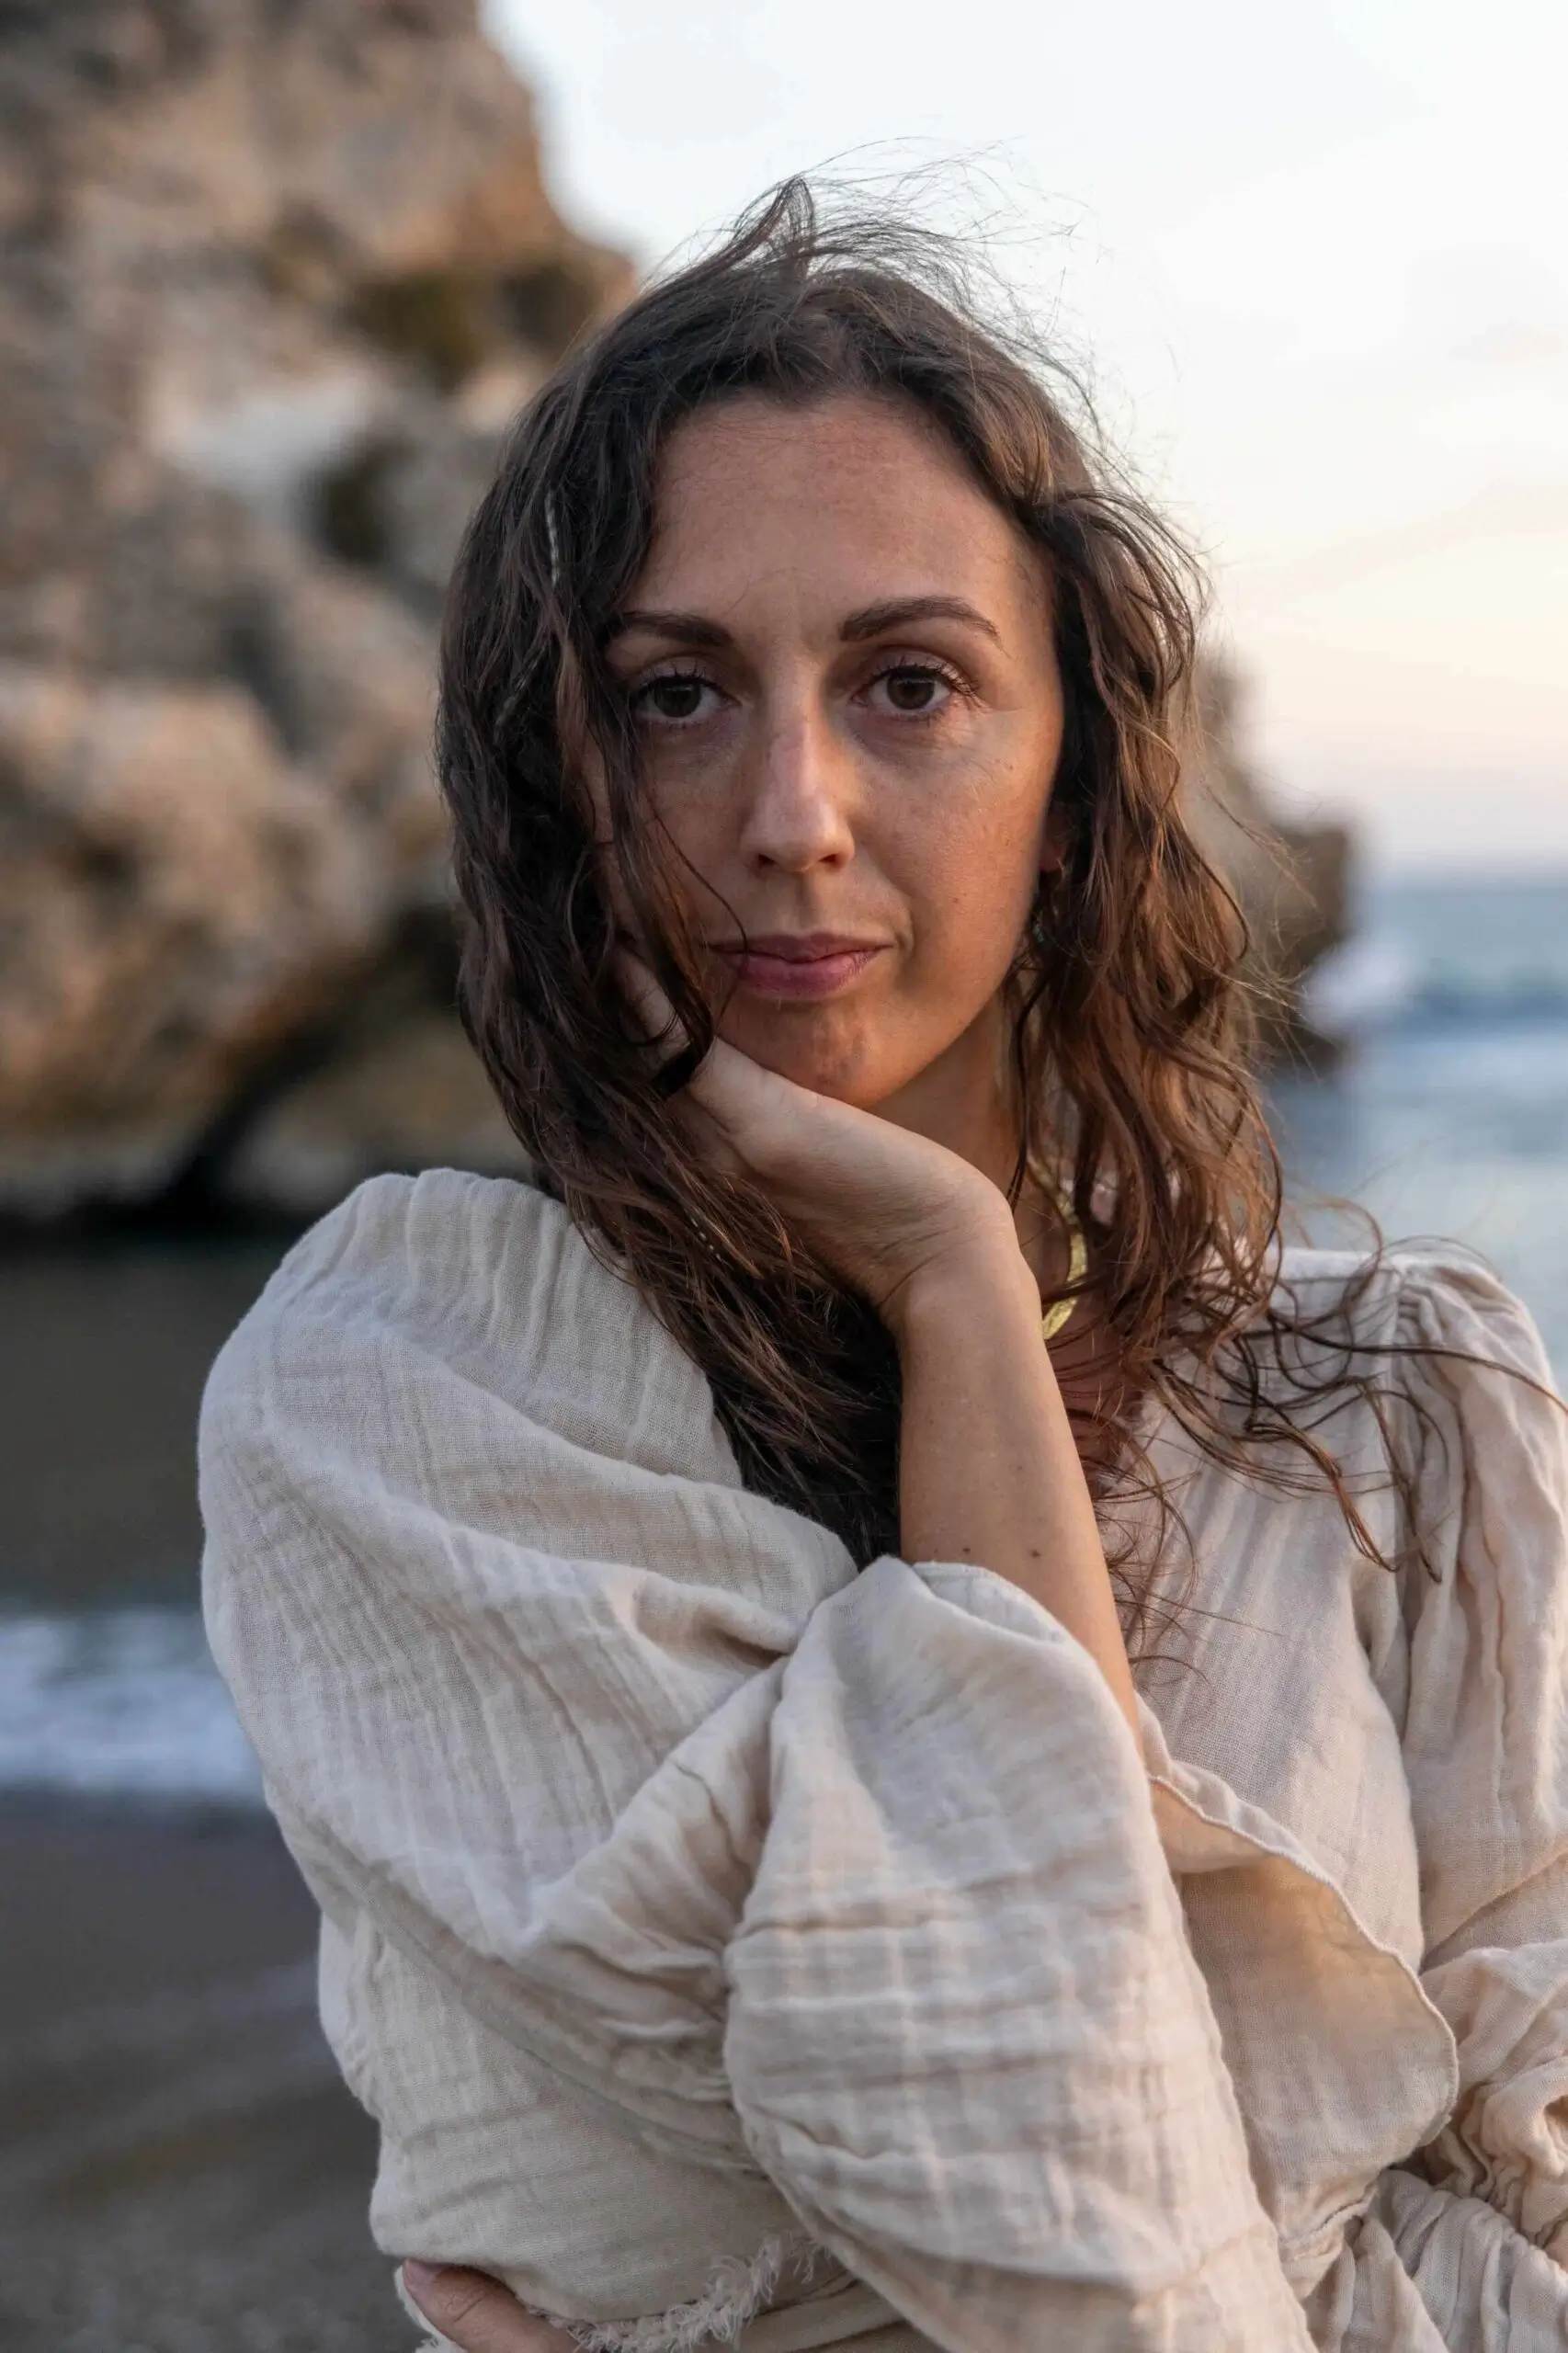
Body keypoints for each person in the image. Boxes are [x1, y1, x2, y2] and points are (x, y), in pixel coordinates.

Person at [199, 183, 1568, 2353]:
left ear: (1074, 777)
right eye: (673, 696)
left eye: (909, 683)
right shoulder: (415, 1398)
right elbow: (1056, 2180)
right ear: (557, 784)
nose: (793, 812)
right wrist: (951, 1276)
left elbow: (1533, 2237)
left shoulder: (1415, 1411)